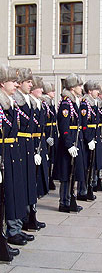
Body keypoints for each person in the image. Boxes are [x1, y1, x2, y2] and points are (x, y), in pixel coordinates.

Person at [0, 65, 32, 255]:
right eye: (13, 81)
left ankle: (10, 234)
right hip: (4, 154)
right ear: (3, 83)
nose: (16, 85)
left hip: (12, 154)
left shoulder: (9, 103)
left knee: (12, 195)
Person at [13, 68, 46, 231]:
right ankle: (23, 220)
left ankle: (30, 217)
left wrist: (36, 150)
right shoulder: (16, 101)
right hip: (19, 147)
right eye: (28, 82)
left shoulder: (29, 101)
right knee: (23, 185)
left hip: (29, 147)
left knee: (30, 184)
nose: (31, 85)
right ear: (20, 84)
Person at [53, 73, 84, 213]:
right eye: (79, 85)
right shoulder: (66, 103)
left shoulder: (74, 102)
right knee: (66, 174)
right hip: (68, 142)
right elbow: (64, 126)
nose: (81, 88)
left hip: (75, 140)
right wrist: (69, 144)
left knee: (73, 172)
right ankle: (64, 202)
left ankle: (70, 199)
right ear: (72, 87)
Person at [79, 80, 101, 201]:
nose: (98, 92)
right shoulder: (85, 104)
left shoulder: (93, 103)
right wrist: (88, 139)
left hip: (94, 135)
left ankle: (89, 188)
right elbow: (84, 123)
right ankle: (83, 190)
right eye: (96, 89)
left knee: (91, 165)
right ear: (90, 91)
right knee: (86, 165)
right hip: (88, 136)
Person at [30, 77, 49, 198]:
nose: (42, 90)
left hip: (40, 140)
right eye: (39, 88)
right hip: (31, 141)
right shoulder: (30, 104)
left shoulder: (39, 103)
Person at [41, 82, 58, 191]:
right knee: (47, 159)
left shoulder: (50, 103)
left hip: (53, 132)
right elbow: (43, 121)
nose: (54, 93)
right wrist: (46, 136)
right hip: (48, 132)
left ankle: (50, 177)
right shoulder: (44, 103)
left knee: (52, 158)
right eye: (52, 91)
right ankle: (47, 179)